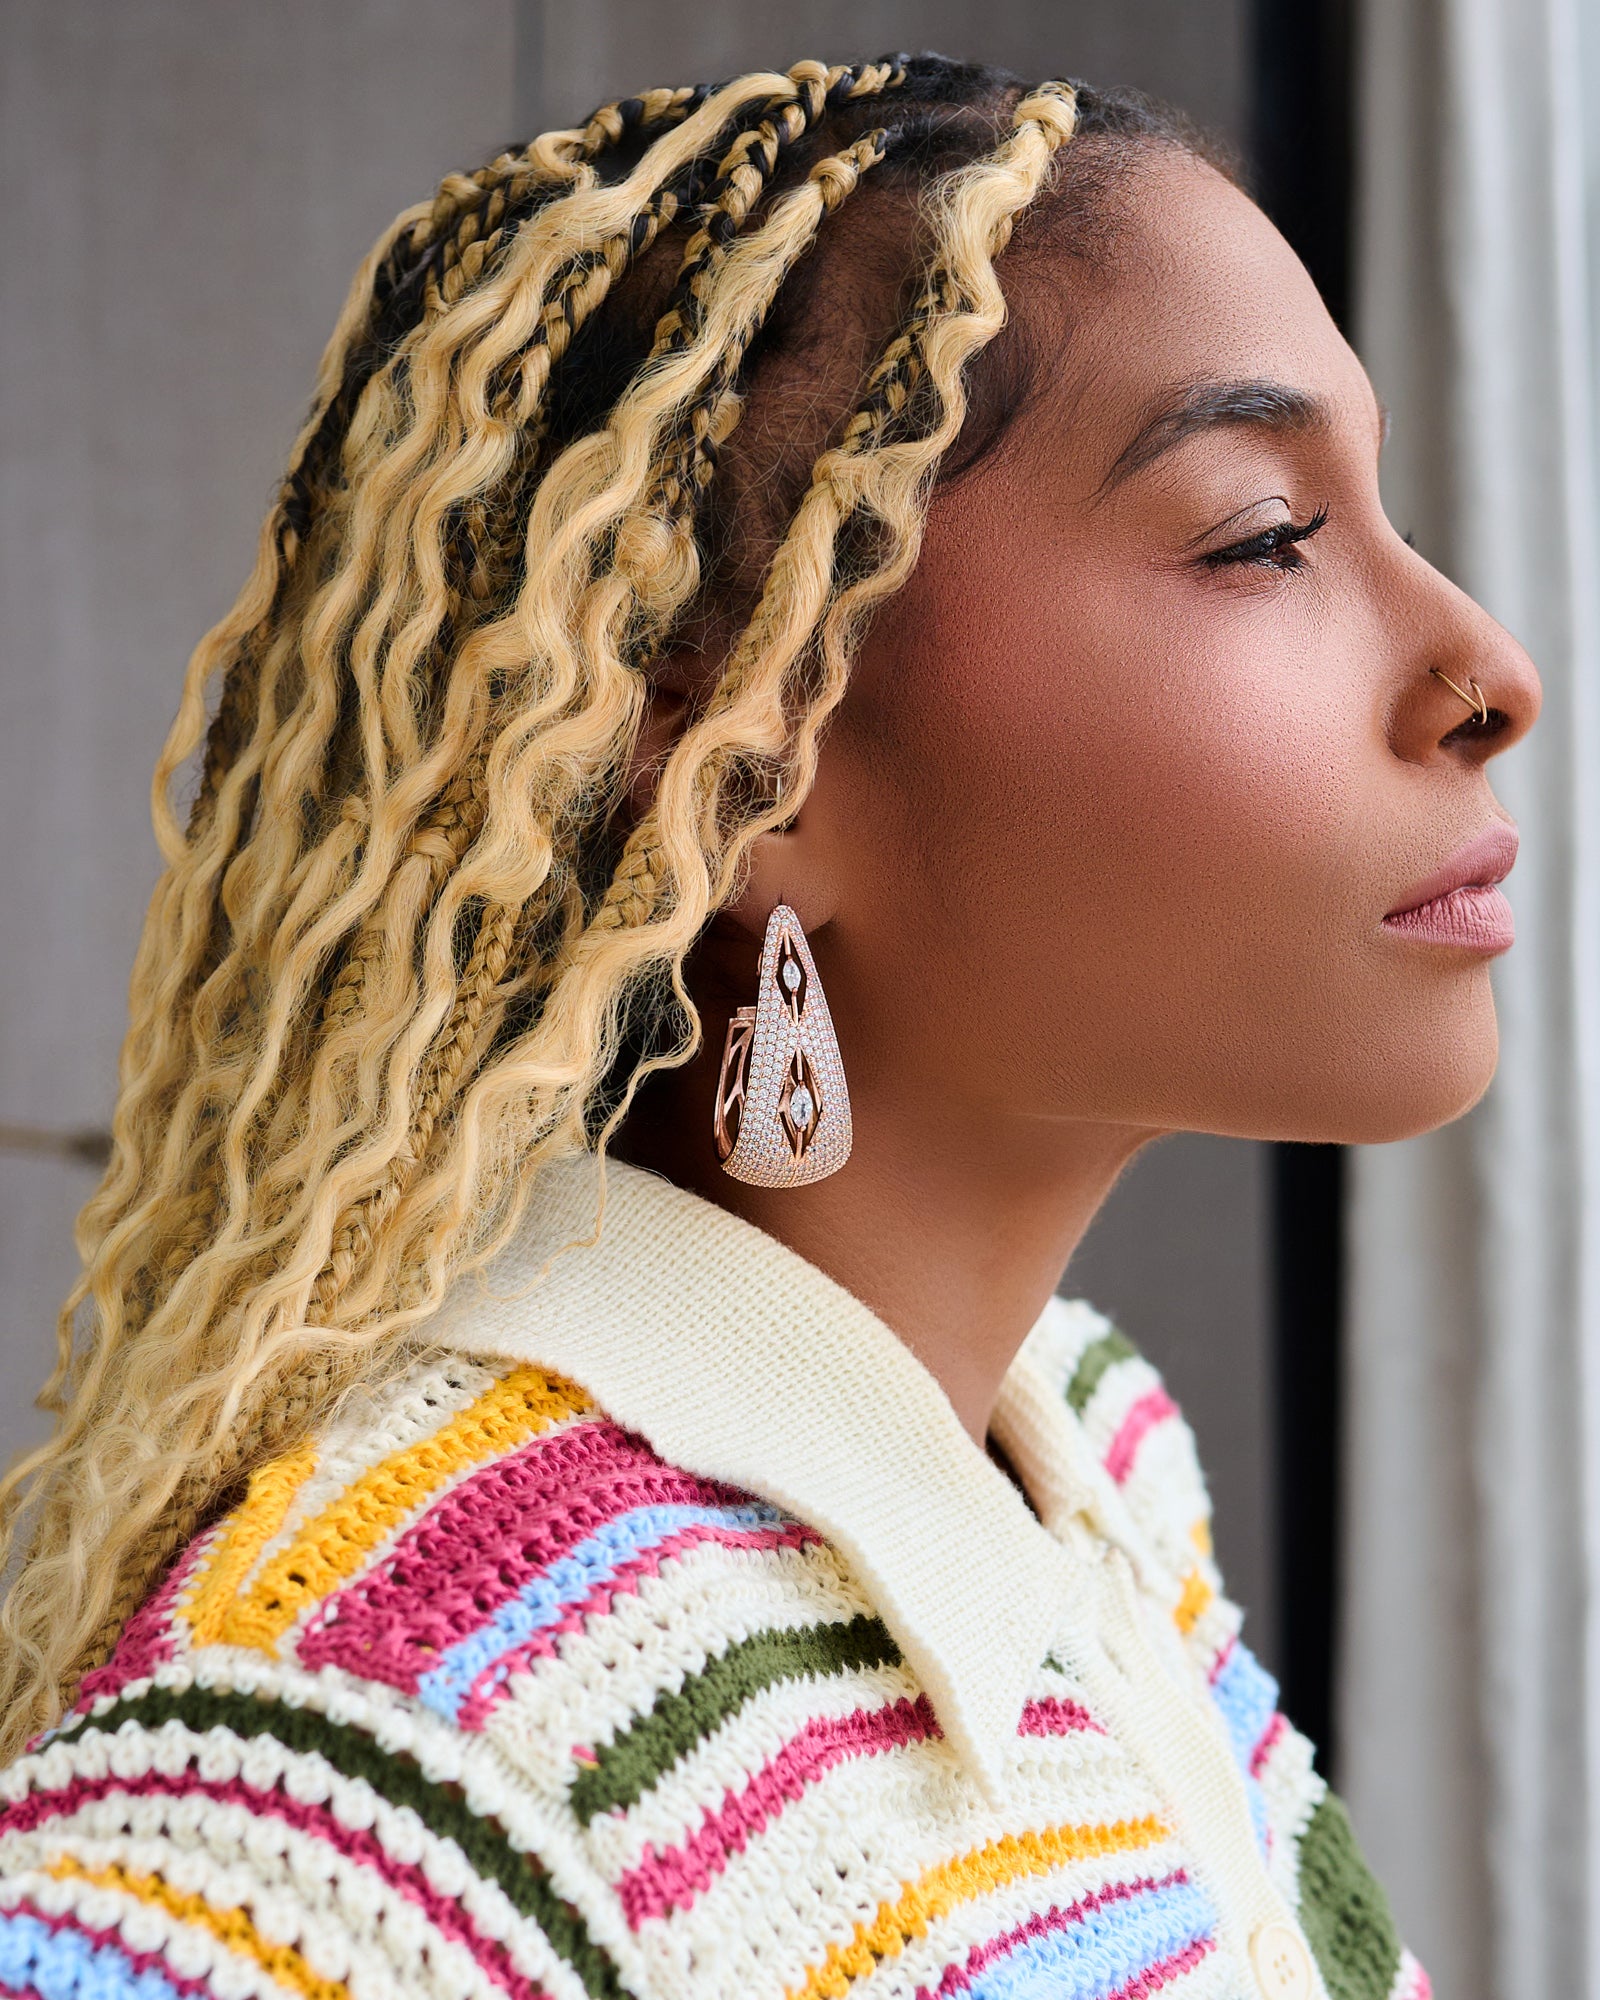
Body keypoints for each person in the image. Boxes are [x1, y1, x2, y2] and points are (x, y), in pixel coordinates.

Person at [0, 52, 1537, 2000]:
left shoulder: (1085, 1449)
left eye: (1375, 509)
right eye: (1261, 536)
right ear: (749, 756)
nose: (1486, 671)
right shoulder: (381, 1764)